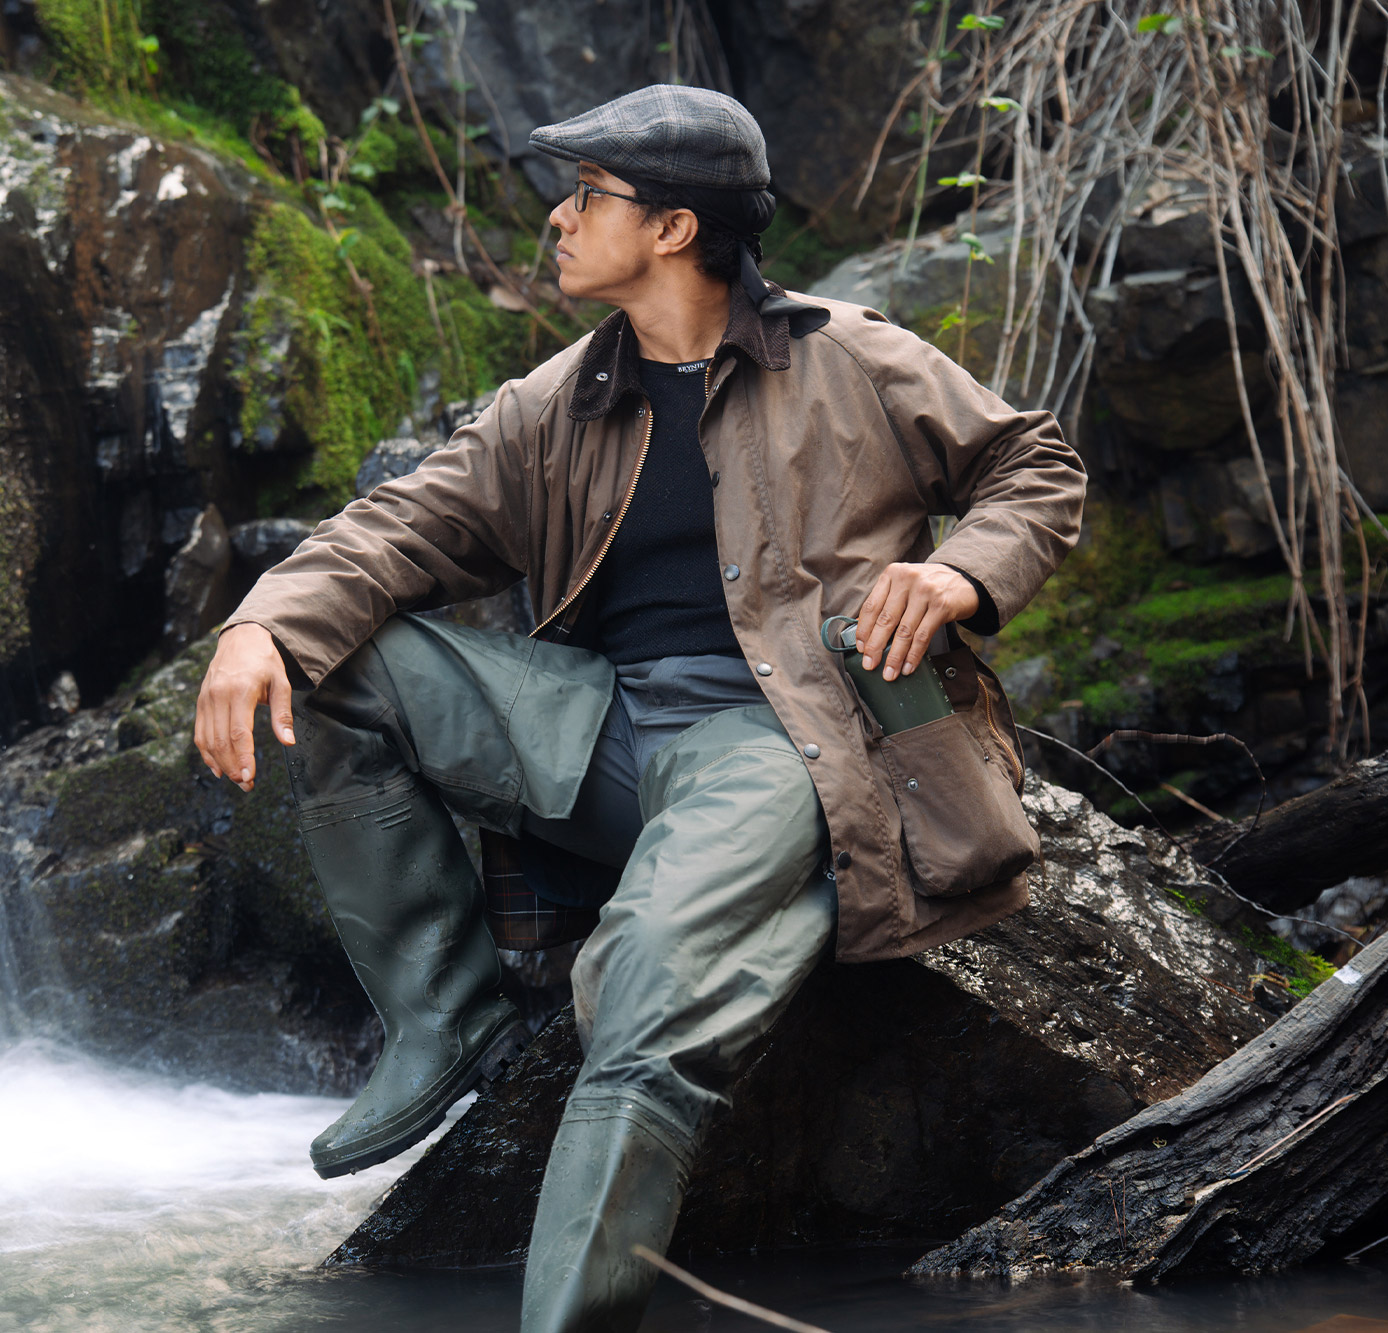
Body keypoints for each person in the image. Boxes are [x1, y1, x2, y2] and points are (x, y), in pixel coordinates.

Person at [194, 84, 1086, 1333]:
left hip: (787, 739)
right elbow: (394, 532)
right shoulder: (556, 401)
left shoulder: (852, 355)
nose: (556, 221)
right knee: (339, 660)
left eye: (585, 197)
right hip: (606, 731)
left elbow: (1032, 467)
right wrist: (255, 628)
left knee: (644, 982)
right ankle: (442, 1012)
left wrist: (956, 571)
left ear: (672, 229)